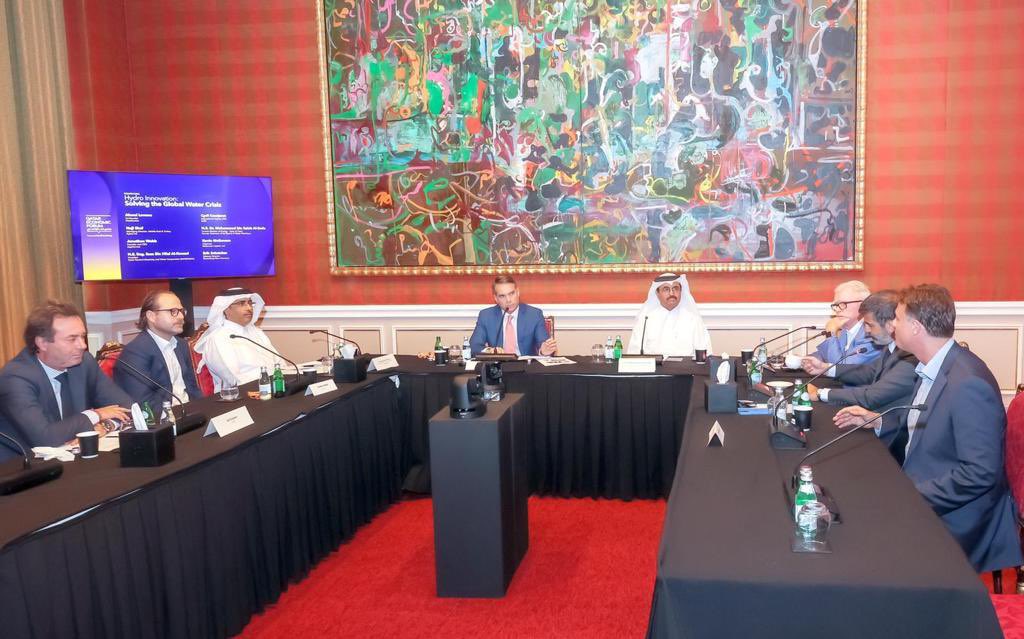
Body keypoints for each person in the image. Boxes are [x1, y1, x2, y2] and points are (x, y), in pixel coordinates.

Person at [834, 284, 1021, 573]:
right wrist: (877, 419)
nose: (892, 325)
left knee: (857, 542)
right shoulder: (932, 365)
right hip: (920, 481)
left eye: (897, 318)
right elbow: (923, 421)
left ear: (916, 327)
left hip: (957, 515)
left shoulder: (968, 383)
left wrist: (908, 496)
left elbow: (979, 474)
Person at [0, 301, 132, 461]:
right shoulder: (16, 378)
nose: (82, 345)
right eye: (72, 339)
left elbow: (126, 406)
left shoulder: (83, 363)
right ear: (42, 343)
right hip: (26, 468)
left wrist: (105, 425)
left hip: (74, 458)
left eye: (83, 336)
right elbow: (45, 438)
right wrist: (95, 415)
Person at [803, 290, 918, 450]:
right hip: (876, 425)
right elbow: (869, 372)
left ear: (890, 325)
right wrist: (826, 369)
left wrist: (821, 394)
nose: (865, 330)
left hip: (894, 440)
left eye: (869, 325)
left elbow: (872, 396)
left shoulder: (911, 358)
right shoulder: (891, 346)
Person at [114, 290, 204, 409]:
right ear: (151, 316)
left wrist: (204, 410)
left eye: (182, 311)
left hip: (190, 414)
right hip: (164, 420)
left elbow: (192, 388)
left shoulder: (181, 345)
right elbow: (144, 405)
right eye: (173, 312)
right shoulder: (135, 353)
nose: (181, 317)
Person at [193, 287, 283, 391]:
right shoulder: (218, 338)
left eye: (250, 303)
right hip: (242, 396)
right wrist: (269, 386)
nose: (249, 308)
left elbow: (279, 364)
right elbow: (234, 380)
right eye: (241, 303)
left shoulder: (257, 333)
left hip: (272, 390)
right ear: (226, 309)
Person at [626, 273, 711, 357]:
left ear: (681, 291)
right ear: (657, 293)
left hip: (687, 370)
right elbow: (634, 353)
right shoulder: (646, 319)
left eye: (675, 288)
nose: (672, 293)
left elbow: (705, 355)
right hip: (654, 369)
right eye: (666, 289)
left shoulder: (693, 319)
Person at [469, 275, 556, 356]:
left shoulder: (534, 314)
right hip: (498, 367)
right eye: (502, 296)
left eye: (511, 294)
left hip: (526, 368)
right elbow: (474, 346)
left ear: (518, 292)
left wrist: (544, 351)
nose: (508, 300)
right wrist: (489, 351)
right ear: (496, 298)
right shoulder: (486, 316)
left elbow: (543, 342)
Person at [809, 280, 882, 368]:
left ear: (863, 304)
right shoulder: (845, 331)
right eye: (836, 305)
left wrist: (830, 333)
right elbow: (823, 354)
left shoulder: (872, 335)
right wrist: (807, 360)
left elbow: (841, 369)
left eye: (843, 304)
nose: (838, 309)